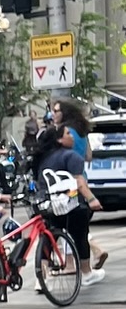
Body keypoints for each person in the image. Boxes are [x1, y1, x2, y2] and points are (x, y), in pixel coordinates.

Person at [33, 116, 107, 284]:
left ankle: (42, 278)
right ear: (59, 139)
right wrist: (92, 199)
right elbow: (79, 182)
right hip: (70, 204)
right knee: (80, 235)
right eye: (68, 133)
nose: (72, 136)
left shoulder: (43, 159)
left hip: (49, 205)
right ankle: (87, 273)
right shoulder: (71, 156)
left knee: (49, 238)